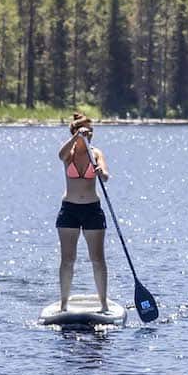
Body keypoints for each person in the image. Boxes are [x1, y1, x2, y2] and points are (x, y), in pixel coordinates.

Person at [54, 113, 110, 313]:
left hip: (92, 210)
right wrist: (76, 138)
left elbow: (105, 176)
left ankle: (103, 304)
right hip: (69, 210)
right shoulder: (68, 153)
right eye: (85, 131)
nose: (89, 135)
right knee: (68, 259)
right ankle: (63, 305)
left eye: (91, 131)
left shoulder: (95, 153)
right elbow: (60, 156)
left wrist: (100, 173)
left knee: (97, 259)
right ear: (75, 132)